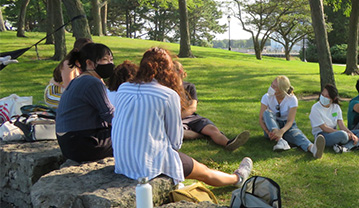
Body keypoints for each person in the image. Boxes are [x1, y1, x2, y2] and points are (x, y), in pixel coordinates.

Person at [112, 47, 252, 187]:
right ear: (168, 70)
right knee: (203, 171)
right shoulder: (167, 95)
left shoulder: (124, 87)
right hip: (149, 165)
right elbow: (175, 142)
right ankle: (237, 178)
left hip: (123, 160)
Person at [54, 43, 115, 162]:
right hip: (82, 144)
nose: (110, 64)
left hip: (68, 143)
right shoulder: (92, 82)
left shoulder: (78, 80)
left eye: (111, 60)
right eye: (104, 60)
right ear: (89, 63)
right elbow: (110, 114)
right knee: (130, 136)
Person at [174, 61, 249, 151]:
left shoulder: (189, 87)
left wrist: (179, 116)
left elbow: (193, 107)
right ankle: (203, 135)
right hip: (176, 119)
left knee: (212, 129)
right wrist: (175, 118)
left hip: (191, 117)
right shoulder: (167, 88)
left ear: (180, 72)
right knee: (180, 133)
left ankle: (228, 143)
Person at [259, 75, 324, 159]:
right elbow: (261, 118)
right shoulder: (266, 97)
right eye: (272, 84)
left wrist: (281, 131)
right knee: (267, 113)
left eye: (274, 86)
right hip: (271, 126)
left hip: (287, 126)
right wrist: (268, 133)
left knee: (298, 135)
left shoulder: (292, 99)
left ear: (281, 90)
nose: (271, 87)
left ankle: (313, 149)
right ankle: (280, 140)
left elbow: (290, 121)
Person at [308, 84, 359, 153]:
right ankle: (348, 144)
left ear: (333, 99)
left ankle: (345, 148)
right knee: (343, 135)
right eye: (322, 95)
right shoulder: (315, 108)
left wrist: (351, 134)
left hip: (335, 132)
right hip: (322, 135)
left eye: (327, 96)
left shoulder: (336, 107)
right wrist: (343, 133)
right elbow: (324, 128)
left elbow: (341, 125)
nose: (323, 97)